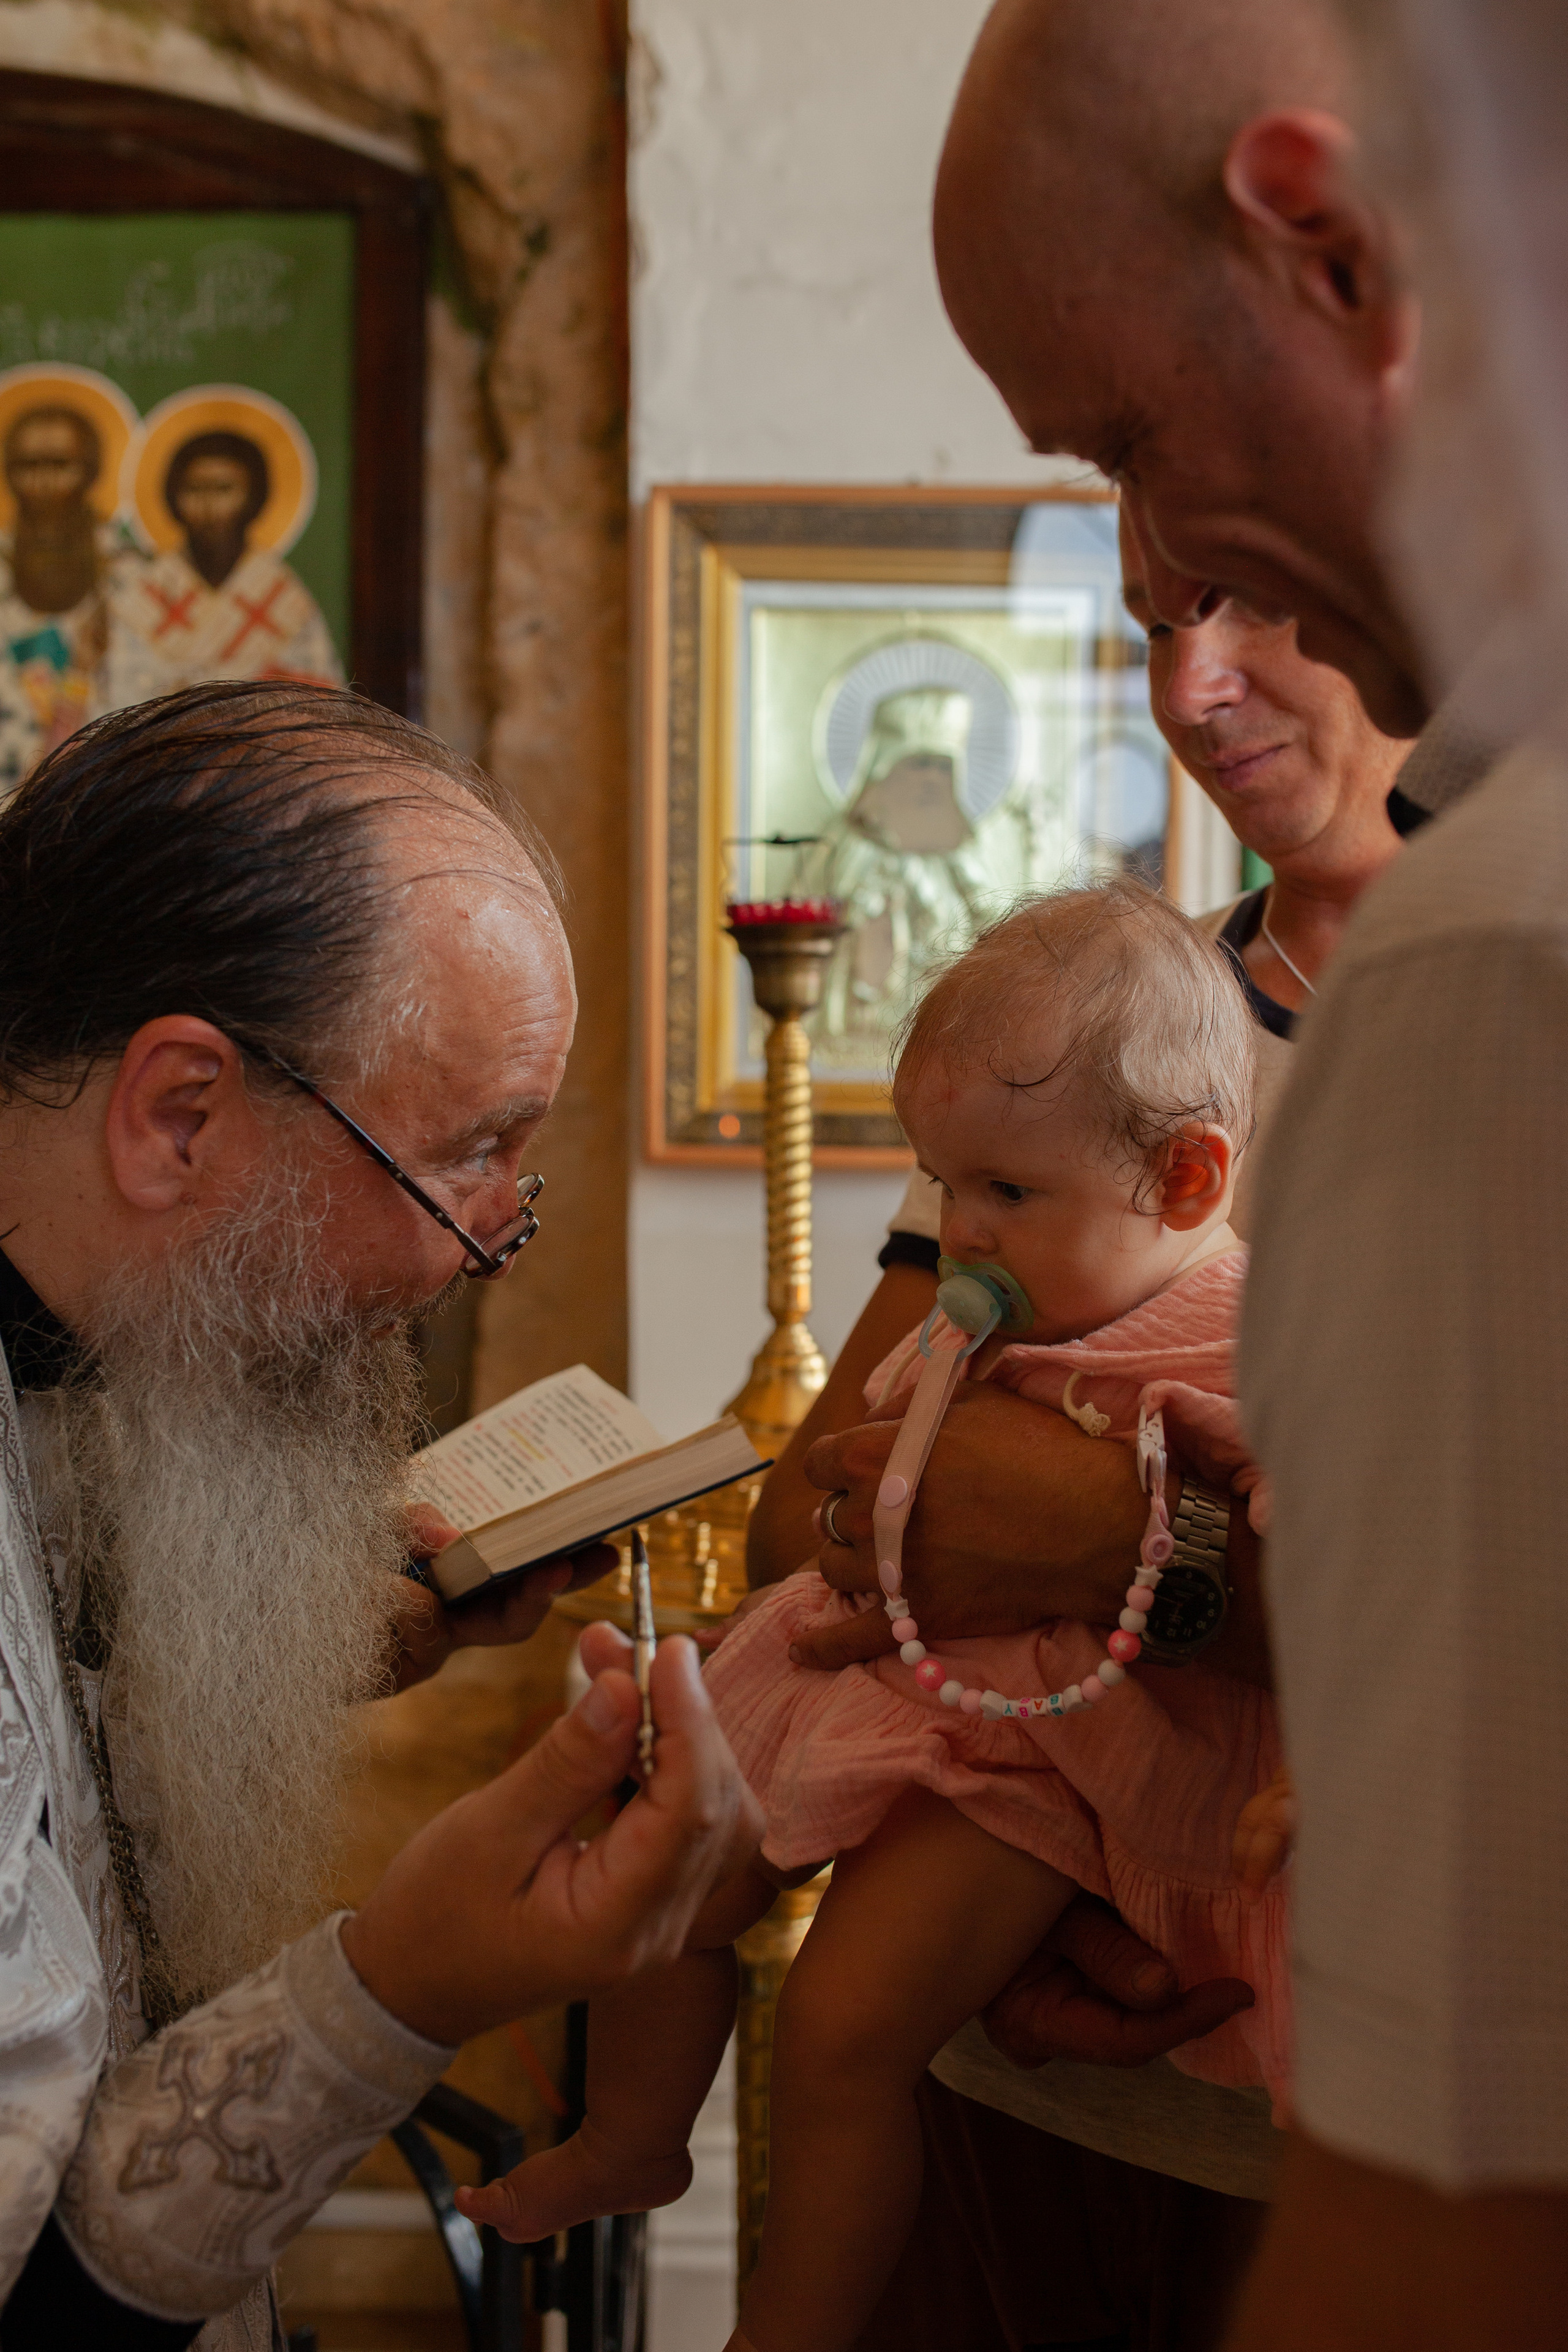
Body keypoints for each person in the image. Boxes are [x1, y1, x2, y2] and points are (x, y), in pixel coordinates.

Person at [924, 0, 1568, 2343]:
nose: (1165, 567)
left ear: (1326, 245)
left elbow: (1459, 2218)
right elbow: (868, 1492)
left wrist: (1144, 1565)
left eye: (1124, 436)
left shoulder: (1490, 965)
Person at [0, 679, 758, 2349]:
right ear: (180, 1113)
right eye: (468, 1155)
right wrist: (405, 1980)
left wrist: (344, 1633)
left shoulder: (101, 1326)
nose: (489, 1245)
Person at [464, 883, 1286, 2352]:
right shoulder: (1007, 1298)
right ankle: (629, 2139)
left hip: (1036, 1752)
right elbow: (827, 1495)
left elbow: (1324, 1528)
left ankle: (784, 2328)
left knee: (841, 2031)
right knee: (662, 1870)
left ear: (1182, 1179)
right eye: (939, 1183)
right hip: (901, 1680)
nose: (957, 1231)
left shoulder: (1241, 1334)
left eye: (1003, 1195)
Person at [106, 431, 342, 705]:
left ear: (253, 497)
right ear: (174, 498)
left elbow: (322, 697)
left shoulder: (280, 596)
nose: (209, 507)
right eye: (194, 490)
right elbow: (119, 696)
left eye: (224, 490)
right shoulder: (147, 594)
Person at [0, 404, 110, 790]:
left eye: (61, 465)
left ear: (90, 471)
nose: (44, 482)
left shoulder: (125, 567)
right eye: (29, 465)